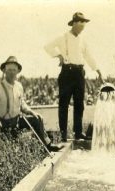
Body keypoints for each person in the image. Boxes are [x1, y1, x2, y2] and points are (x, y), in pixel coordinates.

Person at [44, 12, 103, 142]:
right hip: (67, 73)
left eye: (84, 25)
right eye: (81, 24)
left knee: (79, 104)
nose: (83, 27)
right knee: (64, 104)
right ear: (75, 23)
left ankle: (78, 132)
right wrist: (59, 55)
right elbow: (47, 47)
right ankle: (64, 133)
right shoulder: (63, 37)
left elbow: (89, 56)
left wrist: (97, 70)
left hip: (79, 73)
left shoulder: (83, 41)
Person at [0, 56, 62, 152]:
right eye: (9, 70)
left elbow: (22, 104)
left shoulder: (19, 86)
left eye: (14, 70)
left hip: (16, 122)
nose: (12, 73)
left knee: (37, 119)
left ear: (17, 72)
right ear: (4, 71)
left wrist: (31, 112)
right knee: (8, 153)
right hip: (3, 125)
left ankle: (47, 145)